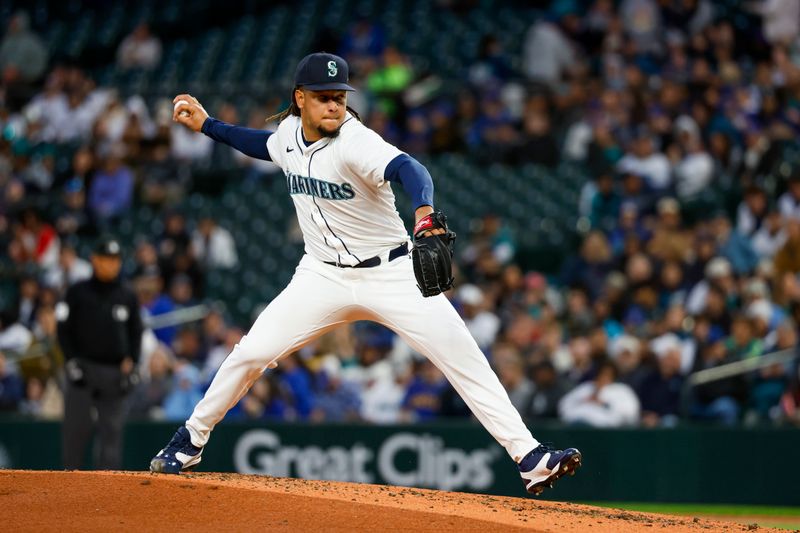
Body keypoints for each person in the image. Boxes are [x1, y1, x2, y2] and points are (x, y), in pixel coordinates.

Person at [149, 52, 581, 495]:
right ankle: (190, 441)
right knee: (250, 353)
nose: (334, 105)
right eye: (323, 98)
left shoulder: (356, 141)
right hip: (320, 276)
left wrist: (425, 211)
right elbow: (261, 144)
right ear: (300, 99)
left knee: (462, 354)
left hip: (390, 272)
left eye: (339, 97)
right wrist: (207, 125)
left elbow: (409, 169)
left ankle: (530, 457)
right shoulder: (288, 137)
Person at [57, 238, 143, 469]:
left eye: (115, 260)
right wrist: (71, 360)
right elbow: (63, 329)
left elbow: (136, 331)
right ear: (94, 260)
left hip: (114, 371)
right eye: (106, 259)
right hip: (83, 368)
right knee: (76, 429)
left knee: (111, 432)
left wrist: (133, 361)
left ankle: (108, 491)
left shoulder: (127, 294)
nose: (111, 265)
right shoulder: (77, 292)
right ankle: (69, 486)